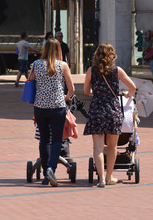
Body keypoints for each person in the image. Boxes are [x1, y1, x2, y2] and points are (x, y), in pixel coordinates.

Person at [83, 43, 136, 188]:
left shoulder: (91, 71)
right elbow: (133, 87)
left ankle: (100, 179)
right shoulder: (117, 70)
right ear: (112, 55)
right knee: (112, 146)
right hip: (113, 110)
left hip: (97, 110)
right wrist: (127, 94)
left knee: (98, 147)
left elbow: (87, 91)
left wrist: (98, 93)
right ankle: (109, 176)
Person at [30, 38, 75, 187]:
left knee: (44, 140)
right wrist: (66, 97)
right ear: (58, 50)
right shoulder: (62, 65)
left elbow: (30, 81)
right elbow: (71, 88)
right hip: (57, 106)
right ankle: (51, 169)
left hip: (40, 107)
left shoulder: (36, 65)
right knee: (57, 140)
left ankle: (44, 175)